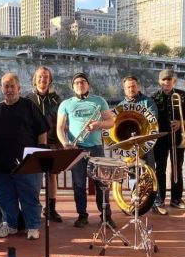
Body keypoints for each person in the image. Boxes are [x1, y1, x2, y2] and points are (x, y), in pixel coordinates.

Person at [0, 72, 49, 240]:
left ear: (19, 88)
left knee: (29, 197)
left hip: (26, 164)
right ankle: (11, 225)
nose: (9, 90)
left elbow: (42, 130)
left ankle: (33, 226)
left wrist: (41, 151)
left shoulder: (29, 106)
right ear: (2, 89)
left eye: (12, 86)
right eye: (6, 86)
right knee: (5, 198)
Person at [56, 72, 115, 228]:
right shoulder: (66, 104)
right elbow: (59, 128)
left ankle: (106, 216)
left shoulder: (99, 101)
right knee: (79, 185)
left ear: (88, 84)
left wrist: (98, 125)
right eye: (76, 83)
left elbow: (110, 122)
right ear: (72, 86)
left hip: (96, 148)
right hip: (77, 148)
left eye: (83, 82)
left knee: (102, 183)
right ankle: (82, 216)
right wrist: (65, 143)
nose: (80, 84)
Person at [117, 76, 163, 215]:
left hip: (145, 143)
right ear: (124, 89)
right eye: (128, 87)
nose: (131, 89)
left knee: (150, 172)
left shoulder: (148, 101)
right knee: (132, 174)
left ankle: (156, 202)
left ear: (138, 86)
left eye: (133, 86)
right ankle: (135, 201)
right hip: (129, 144)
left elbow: (152, 119)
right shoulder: (120, 106)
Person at [26, 66, 62, 222]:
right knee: (34, 177)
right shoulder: (27, 99)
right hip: (33, 142)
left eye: (46, 77)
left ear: (50, 79)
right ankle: (34, 209)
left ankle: (51, 209)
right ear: (35, 79)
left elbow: (62, 121)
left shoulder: (56, 99)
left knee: (52, 176)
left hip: (53, 141)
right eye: (40, 76)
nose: (43, 79)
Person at [152, 69, 185, 211]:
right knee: (160, 168)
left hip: (178, 137)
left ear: (174, 81)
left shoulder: (182, 95)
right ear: (160, 81)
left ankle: (176, 198)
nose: (167, 82)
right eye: (164, 79)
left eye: (169, 79)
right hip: (161, 138)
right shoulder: (154, 97)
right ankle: (159, 198)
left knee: (177, 168)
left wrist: (181, 123)